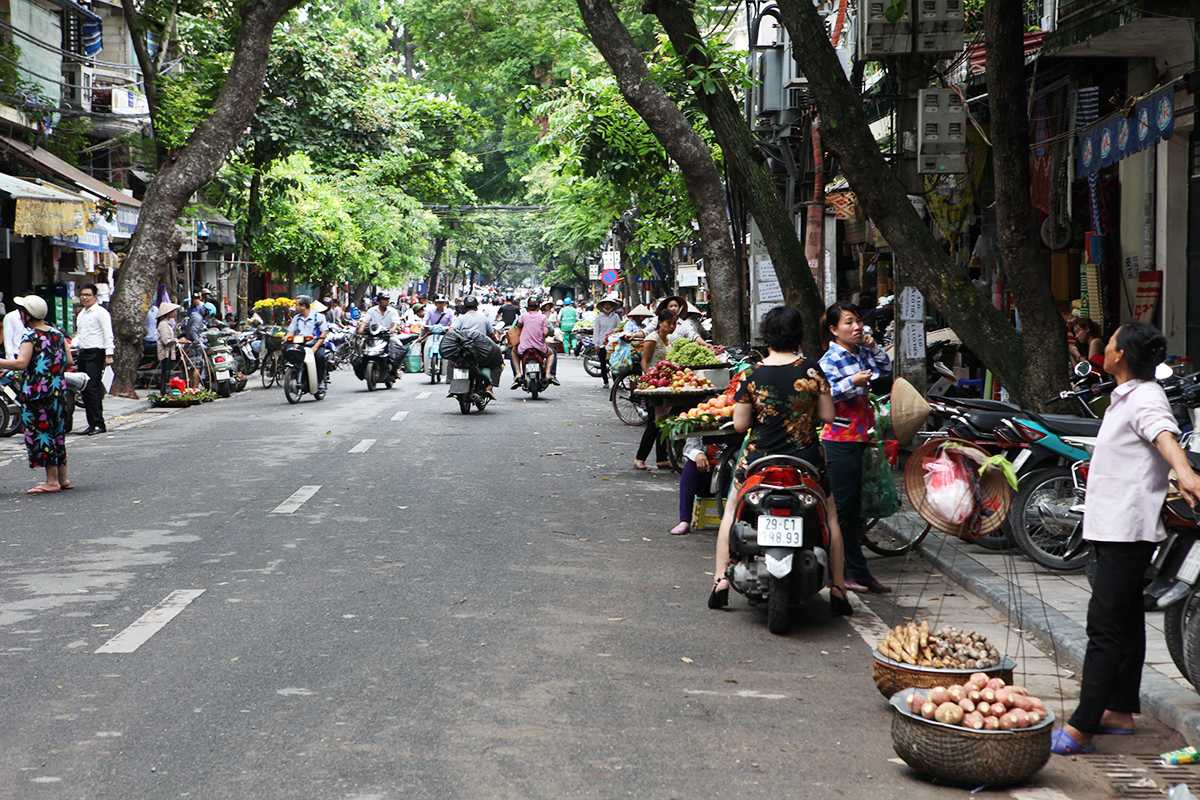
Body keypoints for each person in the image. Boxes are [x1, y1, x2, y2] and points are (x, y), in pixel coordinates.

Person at [1052, 322, 1200, 756]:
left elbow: (1163, 436)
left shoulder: (1147, 398)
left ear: (1119, 356)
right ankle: (1118, 710)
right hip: (1113, 525)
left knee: (1104, 627)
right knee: (1127, 619)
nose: (1107, 345)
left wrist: (1186, 472)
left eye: (1112, 341)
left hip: (1125, 530)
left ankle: (1082, 726)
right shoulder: (1127, 395)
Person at [707, 305, 852, 616]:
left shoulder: (751, 373)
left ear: (767, 335)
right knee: (830, 519)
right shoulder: (812, 370)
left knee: (731, 512)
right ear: (798, 335)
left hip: (759, 460)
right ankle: (838, 587)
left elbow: (741, 426)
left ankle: (720, 580)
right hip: (805, 461)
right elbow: (828, 415)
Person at [819, 301, 893, 595]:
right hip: (838, 440)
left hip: (859, 438)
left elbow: (885, 370)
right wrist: (851, 381)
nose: (857, 326)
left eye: (858, 320)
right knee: (842, 512)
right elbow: (825, 395)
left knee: (851, 511)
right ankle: (842, 573)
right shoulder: (829, 360)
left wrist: (874, 347)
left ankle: (857, 572)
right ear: (834, 330)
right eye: (848, 322)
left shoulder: (861, 352)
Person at [0, 295, 72, 493]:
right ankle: (63, 478)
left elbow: (21, 363)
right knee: (57, 433)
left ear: (27, 314)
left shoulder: (30, 336)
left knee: (41, 434)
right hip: (56, 392)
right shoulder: (57, 334)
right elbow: (69, 361)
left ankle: (51, 482)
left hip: (35, 394)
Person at [634, 308, 680, 470]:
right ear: (660, 322)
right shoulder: (652, 338)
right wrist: (650, 380)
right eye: (669, 323)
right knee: (654, 422)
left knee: (664, 421)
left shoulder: (669, 340)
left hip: (666, 386)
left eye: (674, 323)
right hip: (653, 387)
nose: (672, 327)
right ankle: (640, 458)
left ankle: (662, 458)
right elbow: (644, 362)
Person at [75, 283, 114, 436]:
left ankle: (99, 423)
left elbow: (107, 333)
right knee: (84, 390)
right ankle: (91, 424)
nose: (84, 297)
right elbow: (80, 334)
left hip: (96, 353)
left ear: (95, 297)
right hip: (83, 353)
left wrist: (109, 354)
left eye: (88, 295)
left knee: (93, 389)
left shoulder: (101, 312)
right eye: (83, 295)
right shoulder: (82, 314)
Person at [672, 437, 727, 535]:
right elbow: (689, 448)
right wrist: (698, 454)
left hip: (728, 480)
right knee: (689, 467)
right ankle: (684, 521)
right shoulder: (700, 425)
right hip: (704, 477)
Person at [450, 296, 502, 397]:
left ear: (465, 307)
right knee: (498, 364)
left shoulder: (461, 318)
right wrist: (496, 341)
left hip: (463, 349)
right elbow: (492, 335)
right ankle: (490, 387)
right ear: (477, 306)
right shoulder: (484, 319)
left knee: (451, 361)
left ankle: (451, 383)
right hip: (481, 350)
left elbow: (450, 331)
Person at [512, 297, 559, 387]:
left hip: (524, 347)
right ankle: (549, 373)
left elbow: (518, 325)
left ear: (528, 307)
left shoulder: (523, 316)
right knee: (551, 354)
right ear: (538, 307)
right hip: (540, 347)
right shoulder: (543, 317)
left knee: (514, 352)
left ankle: (518, 373)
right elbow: (546, 332)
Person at [287, 295, 329, 389]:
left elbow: (324, 333)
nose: (295, 307)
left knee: (319, 357)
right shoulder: (296, 318)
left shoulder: (318, 317)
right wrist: (286, 337)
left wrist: (315, 347)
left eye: (297, 305)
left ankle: (320, 380)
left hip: (315, 344)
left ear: (304, 306)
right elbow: (291, 331)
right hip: (300, 344)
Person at [155, 302, 186, 392]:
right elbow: (166, 340)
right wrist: (178, 341)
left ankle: (165, 390)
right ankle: (164, 391)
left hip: (169, 352)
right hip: (165, 353)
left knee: (167, 372)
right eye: (172, 311)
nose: (174, 313)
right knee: (165, 373)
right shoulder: (163, 324)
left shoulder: (167, 323)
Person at [593, 295, 622, 388]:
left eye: (609, 305)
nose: (607, 307)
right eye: (605, 305)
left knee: (613, 364)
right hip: (602, 343)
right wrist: (596, 344)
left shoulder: (616, 316)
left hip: (613, 344)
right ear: (603, 306)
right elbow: (596, 331)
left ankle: (616, 382)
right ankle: (605, 382)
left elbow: (619, 328)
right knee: (603, 364)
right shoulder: (599, 318)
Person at [183, 293, 208, 390]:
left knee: (192, 367)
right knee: (196, 366)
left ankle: (192, 388)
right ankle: (194, 388)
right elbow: (193, 330)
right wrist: (198, 342)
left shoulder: (195, 314)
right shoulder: (197, 317)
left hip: (190, 343)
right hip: (193, 345)